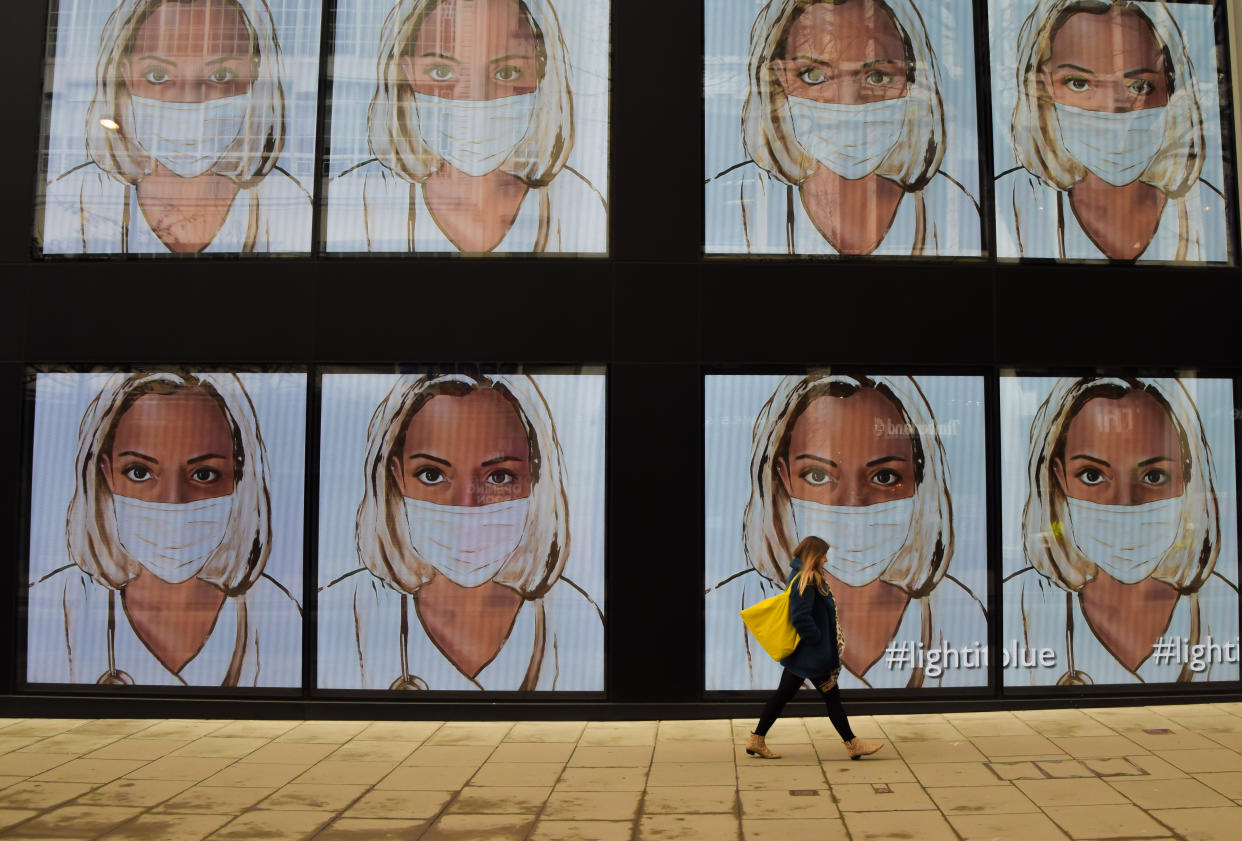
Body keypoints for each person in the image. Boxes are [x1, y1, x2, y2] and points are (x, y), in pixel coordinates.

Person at [318, 372, 603, 690]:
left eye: (499, 477)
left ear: (535, 480)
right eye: (431, 474)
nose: (467, 506)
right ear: (396, 477)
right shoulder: (347, 612)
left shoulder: (575, 620)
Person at [707, 373, 985, 689]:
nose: (852, 505)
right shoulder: (735, 609)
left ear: (919, 481)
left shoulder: (961, 613)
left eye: (884, 477)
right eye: (817, 475)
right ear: (783, 477)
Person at [26, 372, 301, 686]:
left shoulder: (279, 614)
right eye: (140, 472)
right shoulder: (60, 607)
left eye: (205, 474)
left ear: (239, 477)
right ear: (106, 474)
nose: (173, 501)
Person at [1005, 377, 1238, 684]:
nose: (1125, 503)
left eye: (1154, 476)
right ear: (1059, 477)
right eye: (1092, 475)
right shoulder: (1020, 605)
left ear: (1187, 476)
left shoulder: (1226, 605)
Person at [325, 0, 606, 253]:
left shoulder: (580, 203)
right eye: (441, 72)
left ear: (541, 73)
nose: (474, 99)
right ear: (405, 73)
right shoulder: (357, 197)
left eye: (507, 73)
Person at [704, 0, 980, 256]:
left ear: (912, 80)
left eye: (878, 77)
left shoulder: (954, 209)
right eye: (814, 76)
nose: (848, 104)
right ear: (778, 81)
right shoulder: (726, 202)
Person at [40, 0, 310, 254]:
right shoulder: (74, 200)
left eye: (220, 76)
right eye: (158, 76)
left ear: (254, 75)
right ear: (124, 75)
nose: (190, 99)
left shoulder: (292, 207)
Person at [995, 0, 1227, 261]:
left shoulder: (1211, 210)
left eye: (1139, 86)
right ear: (1044, 85)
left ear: (1170, 88)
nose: (1111, 109)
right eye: (1079, 83)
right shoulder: (1008, 203)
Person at [746, 536, 883, 760]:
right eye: (823, 555)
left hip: (805, 657)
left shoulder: (807, 576)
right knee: (831, 698)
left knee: (783, 696)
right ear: (814, 557)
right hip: (812, 656)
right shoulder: (806, 579)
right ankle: (853, 744)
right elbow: (800, 617)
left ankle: (757, 739)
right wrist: (818, 641)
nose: (826, 560)